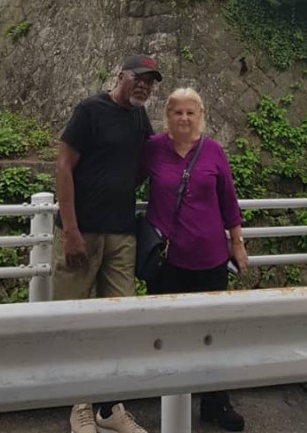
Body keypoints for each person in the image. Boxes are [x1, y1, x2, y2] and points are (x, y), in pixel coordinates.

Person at [52, 55, 162, 433]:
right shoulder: (90, 111)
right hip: (80, 233)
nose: (145, 85)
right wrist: (70, 230)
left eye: (151, 81)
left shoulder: (139, 118)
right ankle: (80, 405)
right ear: (120, 76)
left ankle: (110, 407)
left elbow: (148, 161)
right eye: (139, 77)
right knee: (75, 320)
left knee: (119, 321)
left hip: (121, 233)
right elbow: (63, 166)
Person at [141, 88, 248, 432]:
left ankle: (216, 403)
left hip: (210, 259)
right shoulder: (153, 149)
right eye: (178, 112)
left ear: (200, 115)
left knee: (211, 332)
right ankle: (170, 401)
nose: (184, 118)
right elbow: (123, 180)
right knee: (167, 333)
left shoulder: (213, 150)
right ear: (168, 116)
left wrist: (237, 243)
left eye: (191, 112)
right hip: (167, 261)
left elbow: (228, 200)